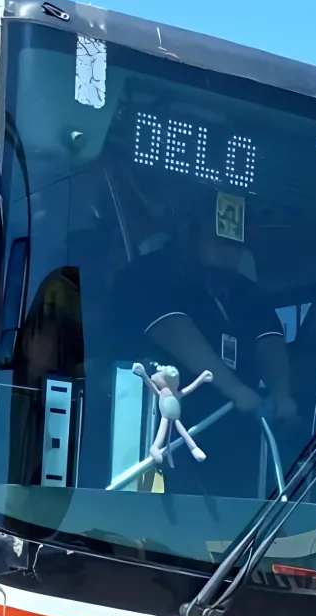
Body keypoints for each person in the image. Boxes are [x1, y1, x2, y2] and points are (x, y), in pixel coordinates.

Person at [110, 200, 298, 497]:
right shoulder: (150, 275)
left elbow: (270, 340)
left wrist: (281, 392)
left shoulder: (243, 290)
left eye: (239, 245)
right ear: (188, 230)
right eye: (221, 241)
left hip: (234, 441)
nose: (232, 253)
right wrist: (234, 388)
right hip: (164, 438)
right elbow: (173, 328)